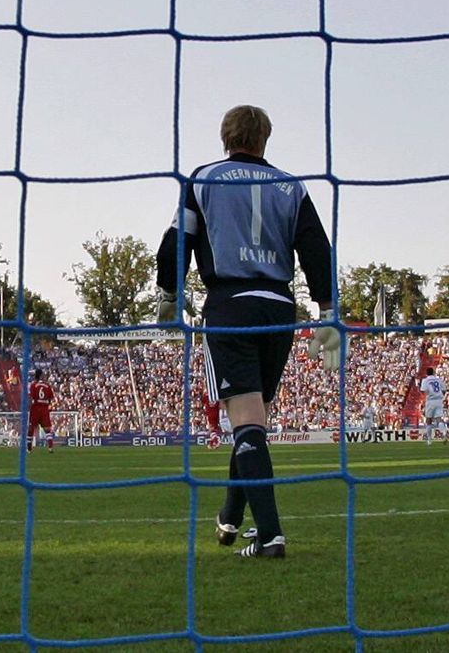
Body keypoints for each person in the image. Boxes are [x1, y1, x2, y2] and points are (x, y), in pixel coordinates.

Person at [155, 104, 335, 560]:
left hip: (230, 306)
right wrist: (328, 309)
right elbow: (316, 248)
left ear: (225, 137)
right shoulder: (290, 185)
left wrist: (169, 294)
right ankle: (231, 517)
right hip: (279, 309)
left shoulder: (204, 178)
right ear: (265, 140)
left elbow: (177, 241)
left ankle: (271, 535)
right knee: (253, 419)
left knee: (248, 421)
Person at [28, 368, 56, 452]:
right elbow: (51, 397)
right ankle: (50, 448)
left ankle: (29, 448)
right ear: (41, 375)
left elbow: (31, 397)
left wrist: (30, 407)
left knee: (31, 428)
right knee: (47, 429)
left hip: (35, 407)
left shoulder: (33, 385)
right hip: (44, 408)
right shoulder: (47, 386)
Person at [419, 367, 449, 445]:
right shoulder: (438, 380)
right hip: (439, 400)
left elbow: (423, 390)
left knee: (428, 420)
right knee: (439, 419)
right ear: (433, 372)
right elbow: (444, 390)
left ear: (426, 373)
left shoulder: (425, 380)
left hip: (430, 400)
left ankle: (429, 440)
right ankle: (444, 433)